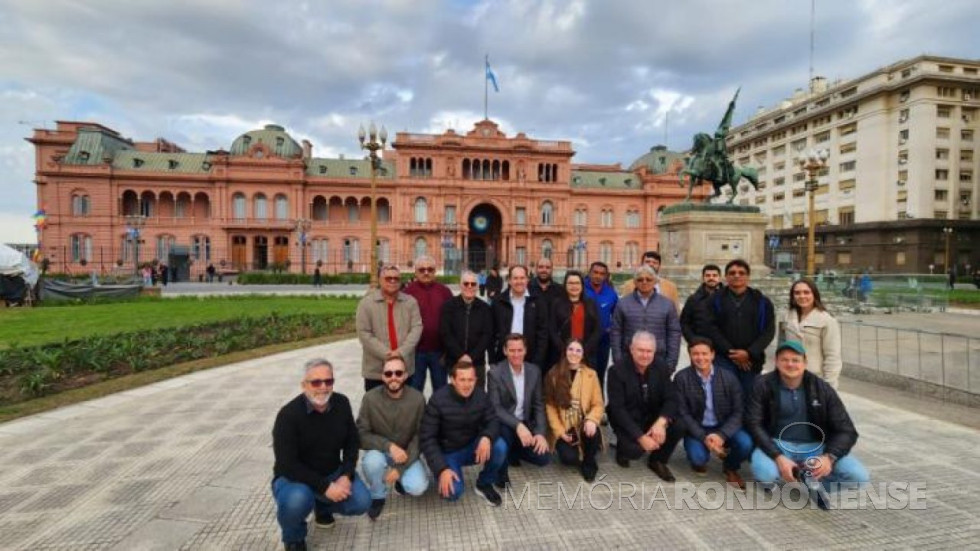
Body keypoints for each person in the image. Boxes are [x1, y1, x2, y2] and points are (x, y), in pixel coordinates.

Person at [272, 359, 370, 550]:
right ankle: (293, 537)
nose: (323, 387)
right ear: (304, 385)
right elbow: (287, 464)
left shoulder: (341, 403)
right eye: (316, 382)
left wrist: (346, 475)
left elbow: (352, 442)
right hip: (295, 479)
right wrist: (325, 487)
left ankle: (322, 506)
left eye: (328, 381)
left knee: (362, 502)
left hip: (332, 472)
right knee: (297, 500)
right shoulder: (288, 416)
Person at [746, 341, 869, 493]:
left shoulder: (822, 389)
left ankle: (812, 484)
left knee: (859, 477)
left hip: (815, 447)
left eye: (795, 360)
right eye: (784, 360)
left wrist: (828, 457)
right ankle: (792, 473)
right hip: (777, 444)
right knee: (766, 476)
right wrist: (778, 457)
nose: (790, 364)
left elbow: (847, 430)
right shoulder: (762, 384)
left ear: (805, 363)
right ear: (776, 362)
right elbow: (753, 423)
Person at [420, 360, 508, 506]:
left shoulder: (481, 396)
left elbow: (493, 420)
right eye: (462, 379)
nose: (467, 384)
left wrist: (486, 437)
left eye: (470, 380)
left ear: (475, 380)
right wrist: (442, 469)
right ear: (452, 380)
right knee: (452, 493)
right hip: (448, 452)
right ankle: (441, 472)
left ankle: (484, 483)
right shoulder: (437, 400)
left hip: (472, 446)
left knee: (500, 446)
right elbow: (427, 438)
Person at [674, 338, 753, 489]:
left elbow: (739, 410)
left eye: (704, 353)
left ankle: (730, 467)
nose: (700, 358)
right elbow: (683, 413)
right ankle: (703, 454)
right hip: (699, 428)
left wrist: (721, 435)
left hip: (723, 426)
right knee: (698, 459)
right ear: (690, 355)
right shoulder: (682, 378)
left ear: (713, 355)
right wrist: (704, 438)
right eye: (695, 354)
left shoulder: (728, 377)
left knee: (745, 443)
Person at [357, 355, 428, 520]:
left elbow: (420, 436)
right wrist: (389, 446)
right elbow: (361, 433)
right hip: (380, 452)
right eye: (388, 374)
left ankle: (400, 480)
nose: (393, 377)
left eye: (398, 373)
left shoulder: (417, 399)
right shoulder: (370, 399)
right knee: (372, 462)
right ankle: (377, 495)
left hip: (406, 454)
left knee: (418, 487)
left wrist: (400, 469)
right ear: (382, 376)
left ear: (405, 375)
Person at [606, 331, 683, 481]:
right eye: (641, 350)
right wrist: (641, 437)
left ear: (654, 352)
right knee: (633, 451)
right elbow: (618, 410)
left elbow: (671, 398)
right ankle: (622, 448)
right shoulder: (616, 371)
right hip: (628, 419)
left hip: (652, 416)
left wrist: (661, 422)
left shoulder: (661, 366)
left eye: (649, 351)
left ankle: (657, 460)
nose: (645, 355)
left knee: (680, 424)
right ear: (631, 349)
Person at [702, 259, 776, 399]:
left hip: (751, 361)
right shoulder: (714, 300)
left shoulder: (762, 301)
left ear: (748, 277)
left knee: (750, 398)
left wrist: (749, 352)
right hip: (723, 358)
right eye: (732, 273)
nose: (737, 275)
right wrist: (732, 353)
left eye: (741, 273)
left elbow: (769, 331)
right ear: (726, 277)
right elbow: (710, 328)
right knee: (724, 398)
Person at [487, 334, 551, 488]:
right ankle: (500, 472)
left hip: (527, 422)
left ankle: (512, 451)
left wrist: (540, 433)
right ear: (505, 351)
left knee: (543, 458)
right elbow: (495, 408)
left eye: (519, 350)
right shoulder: (495, 373)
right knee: (505, 434)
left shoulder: (534, 371)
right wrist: (518, 426)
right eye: (512, 350)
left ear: (525, 351)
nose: (516, 354)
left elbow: (538, 405)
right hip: (505, 422)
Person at [544, 338, 604, 481]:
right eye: (571, 349)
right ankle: (581, 453)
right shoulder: (553, 374)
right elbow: (550, 407)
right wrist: (560, 432)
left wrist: (592, 419)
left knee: (591, 433)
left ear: (583, 354)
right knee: (568, 458)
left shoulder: (591, 374)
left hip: (584, 423)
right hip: (565, 427)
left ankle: (589, 462)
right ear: (565, 352)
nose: (574, 353)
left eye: (578, 350)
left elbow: (598, 404)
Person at [356, 264, 423, 392]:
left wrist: (400, 353)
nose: (392, 281)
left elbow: (416, 328)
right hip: (376, 369)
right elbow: (364, 333)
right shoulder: (366, 303)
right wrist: (387, 354)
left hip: (404, 368)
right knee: (376, 407)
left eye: (396, 278)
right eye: (388, 278)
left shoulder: (410, 302)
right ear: (380, 280)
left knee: (404, 406)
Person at [610, 265, 682, 374]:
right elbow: (616, 331)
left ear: (655, 282)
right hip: (629, 359)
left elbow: (674, 333)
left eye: (648, 279)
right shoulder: (623, 304)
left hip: (659, 359)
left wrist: (671, 363)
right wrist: (618, 360)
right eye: (640, 279)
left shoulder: (667, 304)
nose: (644, 282)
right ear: (634, 282)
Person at [401, 256, 453, 392]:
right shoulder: (407, 293)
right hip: (416, 352)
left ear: (435, 271)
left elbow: (452, 322)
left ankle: (438, 414)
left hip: (439, 352)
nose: (426, 272)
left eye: (430, 269)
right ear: (416, 272)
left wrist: (449, 350)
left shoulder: (444, 291)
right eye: (422, 269)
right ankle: (417, 414)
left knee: (441, 390)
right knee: (415, 390)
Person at [780, 278, 843, 389]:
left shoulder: (827, 320)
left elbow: (832, 356)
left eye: (806, 292)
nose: (802, 296)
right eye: (797, 293)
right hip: (789, 379)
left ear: (814, 294)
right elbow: (781, 349)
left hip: (815, 380)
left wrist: (829, 385)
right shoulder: (786, 317)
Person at [440, 270, 494, 386]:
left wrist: (471, 357)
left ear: (478, 286)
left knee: (477, 396)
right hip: (455, 360)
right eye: (466, 283)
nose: (469, 286)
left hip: (477, 362)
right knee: (455, 396)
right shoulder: (449, 306)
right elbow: (446, 333)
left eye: (473, 284)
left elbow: (487, 335)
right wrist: (460, 355)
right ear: (460, 285)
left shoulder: (485, 308)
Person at [490, 265, 547, 367]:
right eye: (515, 278)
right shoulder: (498, 302)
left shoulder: (538, 301)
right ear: (509, 280)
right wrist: (493, 360)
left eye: (522, 278)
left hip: (530, 359)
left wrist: (538, 360)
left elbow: (542, 333)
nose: (519, 281)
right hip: (504, 358)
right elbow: (492, 333)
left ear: (527, 280)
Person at [548, 270, 601, 373]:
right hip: (562, 355)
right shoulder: (557, 304)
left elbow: (597, 329)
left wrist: (584, 350)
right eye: (570, 283)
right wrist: (565, 350)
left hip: (586, 355)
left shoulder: (591, 304)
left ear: (582, 285)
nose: (574, 286)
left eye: (577, 283)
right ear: (565, 285)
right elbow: (552, 329)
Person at [584, 261, 617, 391]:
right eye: (595, 272)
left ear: (606, 276)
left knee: (600, 373)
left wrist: (610, 328)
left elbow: (617, 316)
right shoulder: (581, 289)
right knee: (584, 374)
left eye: (602, 274)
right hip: (584, 340)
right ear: (590, 273)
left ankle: (599, 405)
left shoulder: (611, 294)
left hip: (603, 341)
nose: (598, 276)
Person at [529, 257, 565, 369]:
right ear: (536, 269)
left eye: (547, 267)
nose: (544, 270)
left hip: (554, 343)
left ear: (552, 270)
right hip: (533, 343)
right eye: (541, 267)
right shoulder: (527, 288)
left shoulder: (560, 290)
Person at [680, 264, 723, 344]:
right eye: (708, 275)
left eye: (714, 275)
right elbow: (684, 323)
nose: (711, 278)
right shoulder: (693, 299)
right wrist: (693, 340)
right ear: (703, 278)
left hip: (722, 347)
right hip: (699, 346)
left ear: (720, 278)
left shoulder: (726, 297)